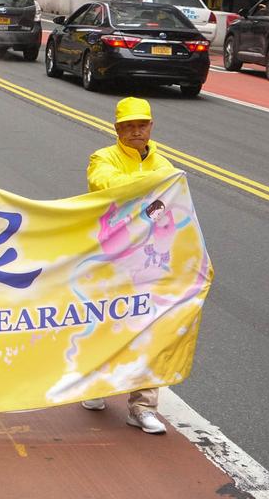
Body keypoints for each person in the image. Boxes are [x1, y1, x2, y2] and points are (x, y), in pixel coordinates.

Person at [80, 96, 174, 435]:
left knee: (149, 329)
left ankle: (142, 407)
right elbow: (104, 184)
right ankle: (97, 386)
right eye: (129, 126)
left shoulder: (164, 165)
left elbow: (171, 209)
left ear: (151, 127)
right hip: (110, 258)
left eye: (142, 125)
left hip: (149, 260)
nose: (136, 131)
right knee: (107, 323)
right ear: (117, 129)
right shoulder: (102, 158)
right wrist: (147, 189)